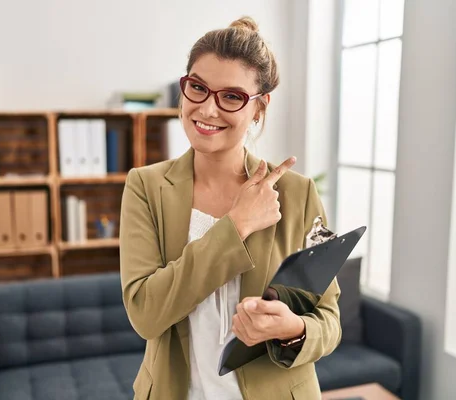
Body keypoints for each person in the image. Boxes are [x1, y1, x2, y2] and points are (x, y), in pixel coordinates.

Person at [119, 16, 341, 400]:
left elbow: (330, 319)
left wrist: (293, 329)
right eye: (198, 88)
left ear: (259, 108)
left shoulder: (297, 193)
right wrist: (236, 226)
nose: (207, 109)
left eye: (232, 96)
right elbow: (145, 314)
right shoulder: (146, 187)